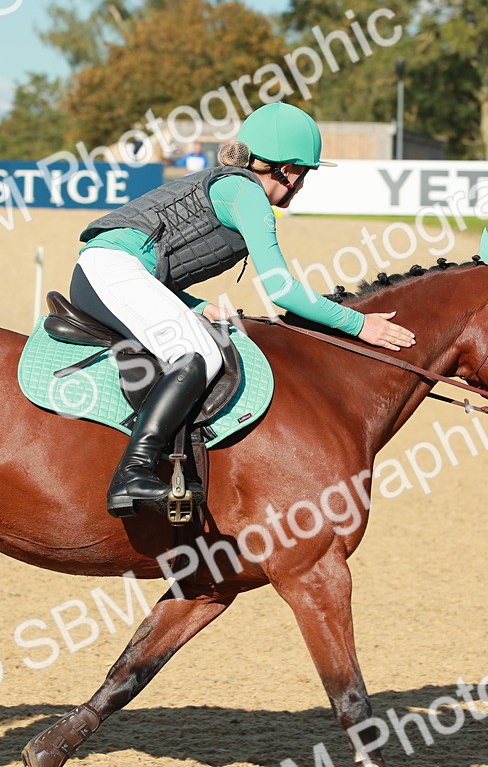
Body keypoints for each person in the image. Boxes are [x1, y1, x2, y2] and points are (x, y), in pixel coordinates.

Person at [70, 102, 416, 519]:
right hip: (110, 268)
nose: (302, 186)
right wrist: (359, 324)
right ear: (284, 170)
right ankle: (133, 472)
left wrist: (200, 306)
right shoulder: (247, 193)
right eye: (303, 174)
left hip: (114, 271)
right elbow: (281, 288)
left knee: (208, 338)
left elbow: (161, 273)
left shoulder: (235, 188)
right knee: (200, 354)